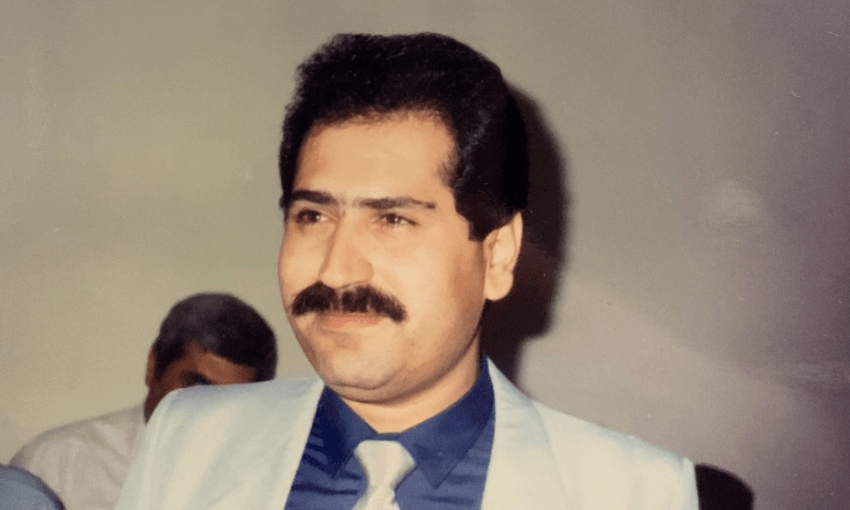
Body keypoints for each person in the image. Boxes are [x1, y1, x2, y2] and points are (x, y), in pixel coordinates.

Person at [115, 33, 699, 510]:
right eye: (313, 215)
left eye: (392, 219)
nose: (337, 269)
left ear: (496, 255)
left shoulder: (635, 493)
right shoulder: (186, 440)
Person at [11, 292, 278, 510]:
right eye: (197, 387)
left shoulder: (268, 484)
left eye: (233, 401)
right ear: (153, 367)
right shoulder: (58, 461)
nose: (210, 412)